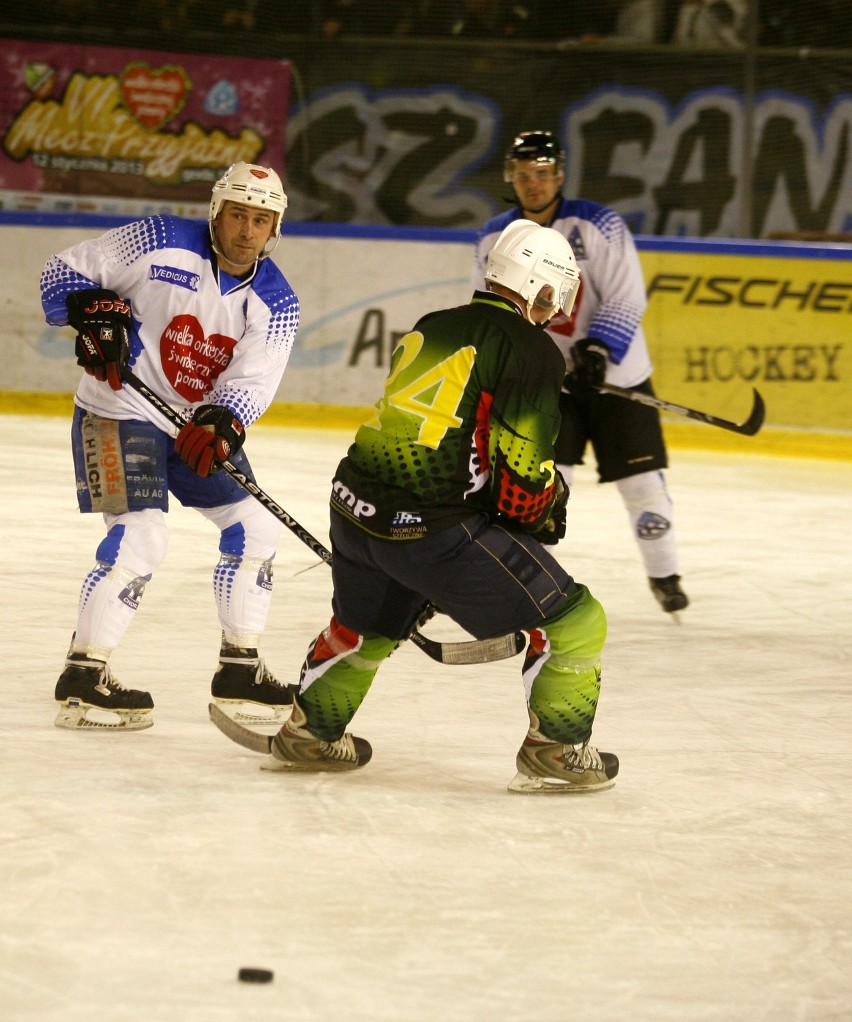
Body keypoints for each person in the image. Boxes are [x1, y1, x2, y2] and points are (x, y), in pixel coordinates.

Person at [248, 219, 619, 793]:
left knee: (364, 628)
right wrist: (550, 508)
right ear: (542, 286)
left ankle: (311, 731)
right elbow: (521, 487)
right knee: (576, 622)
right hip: (433, 530)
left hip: (352, 508)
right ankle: (557, 746)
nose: (558, 305)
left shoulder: (435, 324)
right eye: (558, 291)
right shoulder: (532, 349)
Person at [40, 161, 300, 731]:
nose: (246, 230)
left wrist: (225, 421)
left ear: (275, 227)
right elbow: (60, 274)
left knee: (256, 526)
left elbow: (251, 385)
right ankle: (83, 677)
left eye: (261, 219)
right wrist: (90, 312)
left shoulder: (277, 303)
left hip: (190, 429)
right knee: (141, 536)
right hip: (116, 413)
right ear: (216, 212)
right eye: (238, 214)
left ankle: (240, 669)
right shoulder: (158, 239)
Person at [471, 131, 688, 614]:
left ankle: (665, 573)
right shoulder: (493, 235)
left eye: (542, 174)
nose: (533, 184)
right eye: (523, 175)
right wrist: (527, 363)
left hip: (617, 376)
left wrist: (598, 350)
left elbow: (628, 295)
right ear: (512, 178)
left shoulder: (599, 224)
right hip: (545, 384)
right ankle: (528, 584)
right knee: (539, 485)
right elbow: (489, 306)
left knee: (642, 483)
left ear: (559, 176)